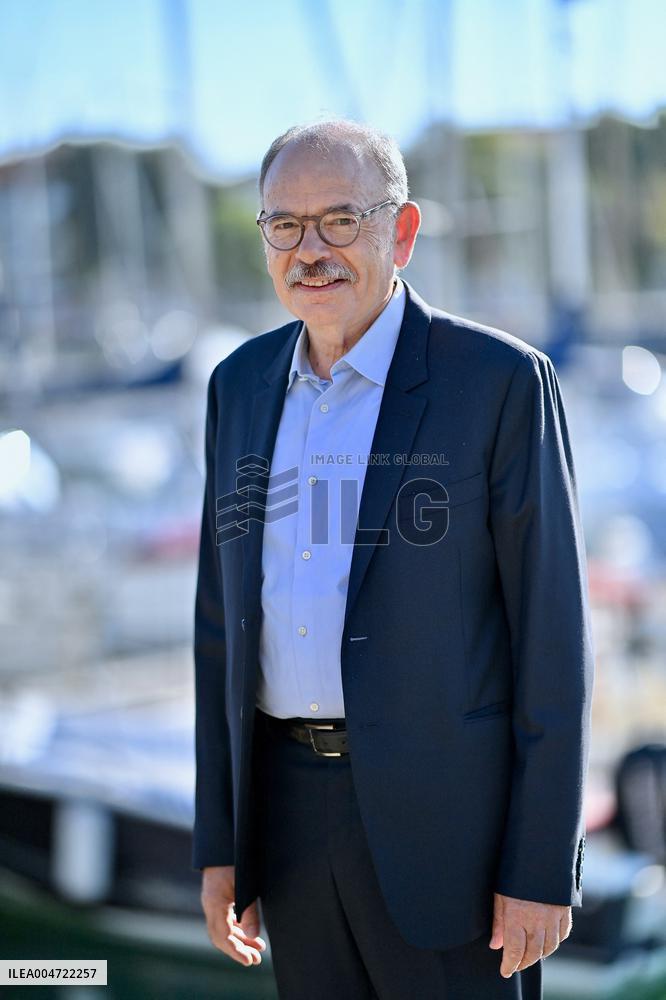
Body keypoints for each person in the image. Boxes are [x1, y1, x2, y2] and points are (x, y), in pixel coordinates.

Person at [192, 119, 595, 999]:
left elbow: (553, 638)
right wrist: (222, 845)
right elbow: (220, 626)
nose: (311, 250)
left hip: (453, 837)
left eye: (341, 221)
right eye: (285, 225)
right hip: (289, 822)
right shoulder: (238, 384)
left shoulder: (497, 383)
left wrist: (541, 864)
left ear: (401, 232)